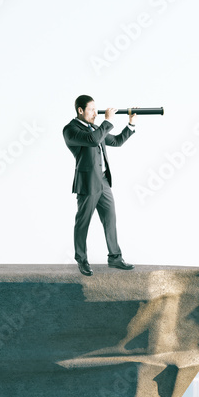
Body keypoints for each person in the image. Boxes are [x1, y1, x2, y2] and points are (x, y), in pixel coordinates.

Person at [63, 95, 137, 275]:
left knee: (110, 219)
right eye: (91, 109)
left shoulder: (96, 128)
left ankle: (115, 257)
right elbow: (92, 140)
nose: (96, 113)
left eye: (97, 109)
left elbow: (117, 141)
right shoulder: (70, 130)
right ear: (80, 110)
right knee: (83, 222)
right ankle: (81, 260)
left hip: (103, 182)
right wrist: (108, 121)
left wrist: (131, 124)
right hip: (87, 183)